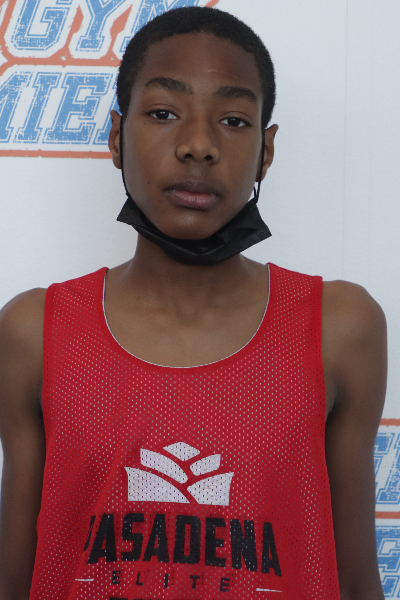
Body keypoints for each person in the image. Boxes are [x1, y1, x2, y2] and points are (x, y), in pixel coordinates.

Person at [0, 6, 387, 600]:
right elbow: (14, 580)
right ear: (115, 136)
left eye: (233, 120)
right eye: (163, 113)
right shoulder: (35, 332)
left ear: (266, 151)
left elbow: (357, 582)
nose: (199, 145)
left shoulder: (338, 327)